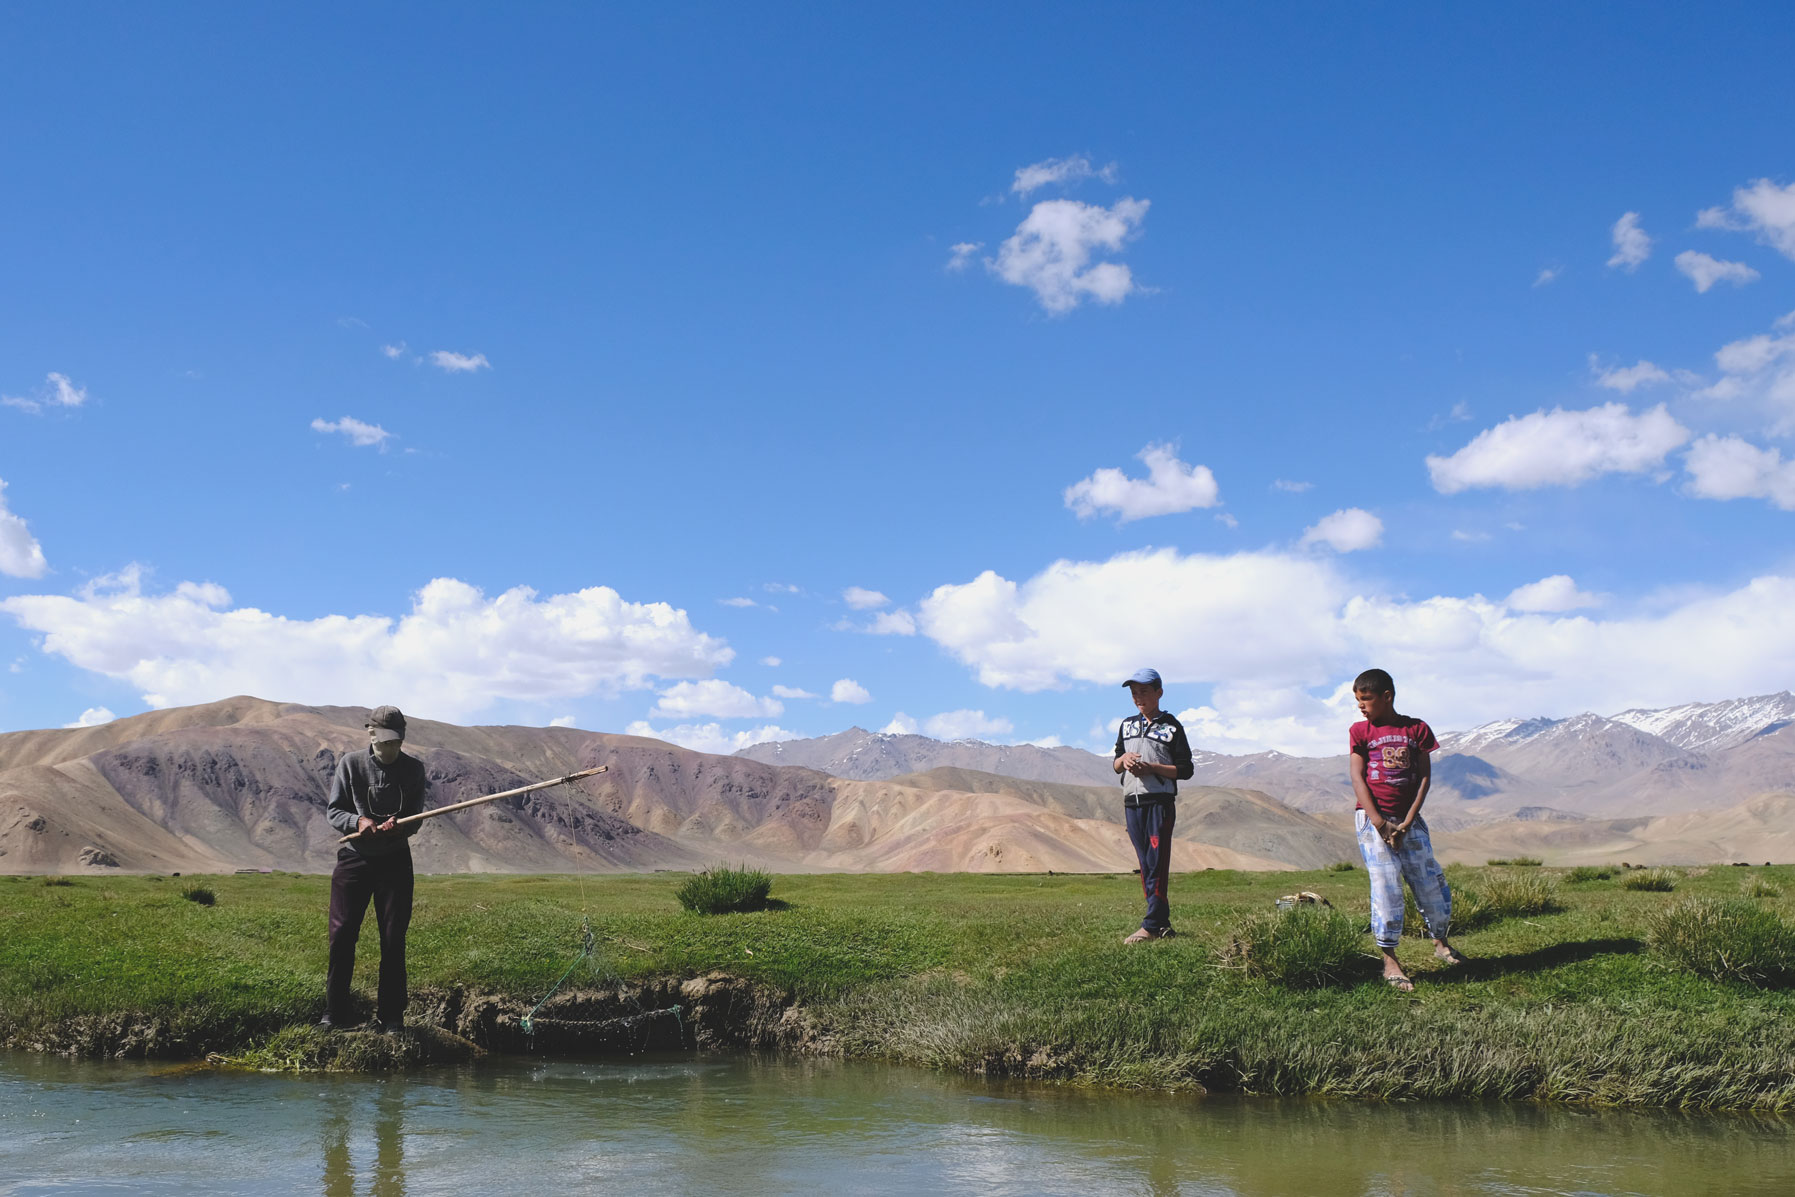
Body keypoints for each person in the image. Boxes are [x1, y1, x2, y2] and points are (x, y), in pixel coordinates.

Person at [1347, 668, 1464, 991]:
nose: (1361, 706)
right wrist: (1381, 822)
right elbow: (1357, 778)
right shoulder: (1360, 731)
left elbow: (1424, 777)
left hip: (1409, 820)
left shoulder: (1416, 729)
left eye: (1366, 699)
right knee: (1386, 887)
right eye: (1358, 700)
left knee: (1429, 882)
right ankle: (1390, 960)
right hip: (1374, 821)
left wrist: (1409, 820)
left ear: (1387, 696)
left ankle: (1441, 942)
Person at [321, 705, 430, 1031]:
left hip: (395, 860)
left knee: (393, 939)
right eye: (383, 742)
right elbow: (335, 811)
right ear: (370, 735)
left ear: (402, 739)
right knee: (342, 936)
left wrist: (402, 827)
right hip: (355, 858)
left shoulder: (414, 770)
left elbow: (416, 816)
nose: (389, 749)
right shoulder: (351, 765)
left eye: (395, 743)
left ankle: (392, 1018)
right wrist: (359, 821)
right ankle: (334, 1014)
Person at [1113, 668, 1194, 943]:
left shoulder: (1172, 727)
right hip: (1131, 802)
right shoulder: (1126, 725)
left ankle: (1150, 925)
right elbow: (1114, 763)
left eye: (1144, 691)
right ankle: (1160, 924)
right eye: (1134, 692)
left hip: (1159, 802)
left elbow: (1185, 770)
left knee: (1157, 862)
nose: (1138, 697)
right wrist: (1123, 760)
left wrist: (1151, 768)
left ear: (1159, 692)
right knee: (1146, 864)